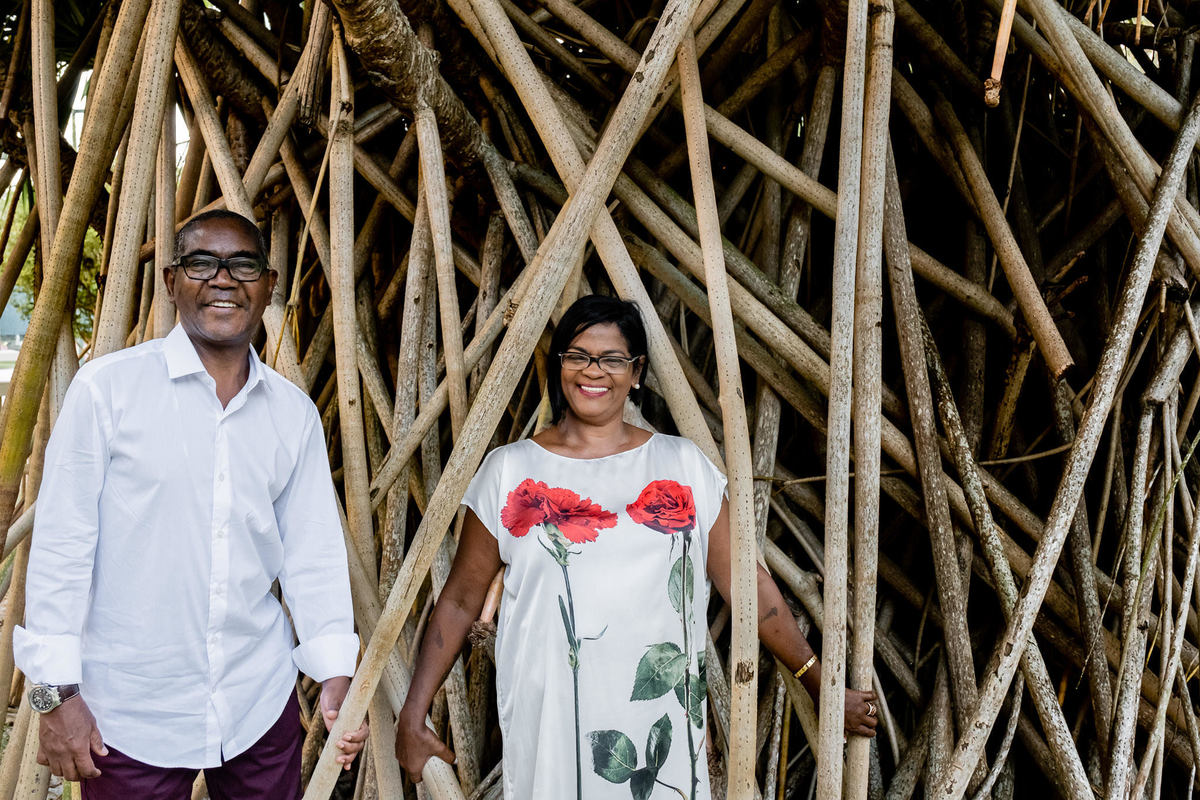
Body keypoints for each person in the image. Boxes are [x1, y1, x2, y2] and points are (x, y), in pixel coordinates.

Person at [395, 295, 877, 799]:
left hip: (658, 735)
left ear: (637, 371)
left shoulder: (684, 467)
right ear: (559, 364)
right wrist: (414, 711)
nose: (592, 371)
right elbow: (459, 599)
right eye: (577, 355)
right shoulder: (509, 471)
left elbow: (748, 586)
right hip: (555, 728)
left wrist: (817, 681)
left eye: (611, 359)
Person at [14, 209, 369, 798]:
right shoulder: (107, 392)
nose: (223, 279)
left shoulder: (292, 414)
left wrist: (335, 673)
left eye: (243, 265)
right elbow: (62, 551)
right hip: (128, 716)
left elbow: (313, 554)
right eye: (203, 262)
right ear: (172, 281)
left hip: (256, 704)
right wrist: (55, 697)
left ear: (269, 285)